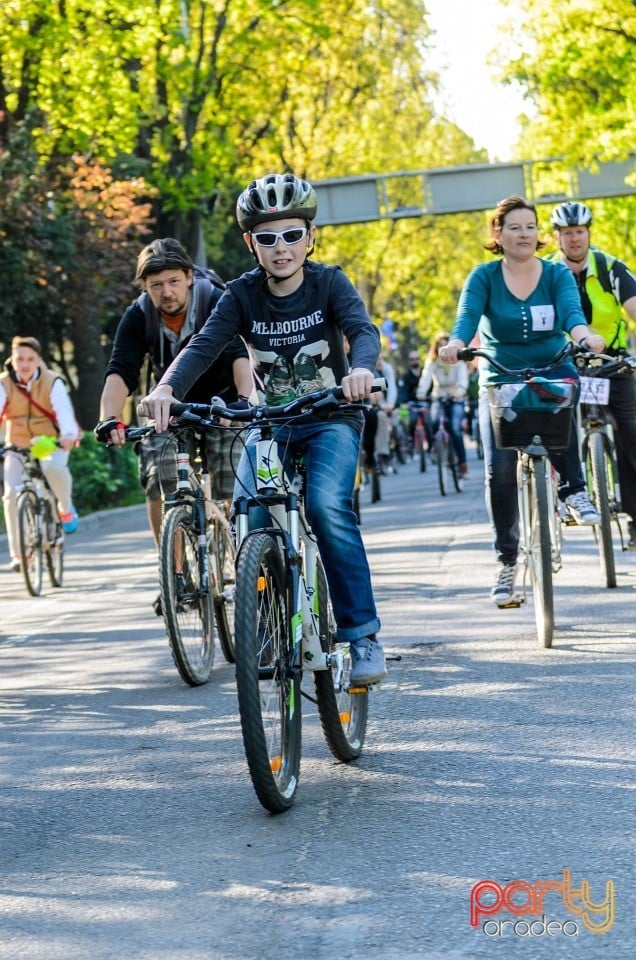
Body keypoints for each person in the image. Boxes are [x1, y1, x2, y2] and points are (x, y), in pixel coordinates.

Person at [139, 172, 386, 685]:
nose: (281, 248)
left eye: (292, 235)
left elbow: (362, 330)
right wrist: (165, 389)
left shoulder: (330, 283)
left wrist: (361, 369)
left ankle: (361, 635)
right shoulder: (242, 295)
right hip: (269, 424)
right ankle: (268, 622)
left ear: (309, 237)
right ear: (251, 243)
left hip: (331, 417)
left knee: (324, 506)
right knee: (248, 511)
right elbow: (203, 346)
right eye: (268, 238)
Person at [439, 195, 604, 606]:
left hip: (552, 369)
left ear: (539, 234)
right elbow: (466, 319)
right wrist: (456, 344)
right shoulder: (483, 276)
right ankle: (507, 562)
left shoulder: (555, 275)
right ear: (498, 233)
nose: (524, 234)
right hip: (501, 378)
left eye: (530, 226)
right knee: (500, 470)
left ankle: (573, 489)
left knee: (567, 393)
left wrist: (585, 337)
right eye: (514, 227)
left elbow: (571, 315)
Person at [94, 238, 254, 555]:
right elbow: (121, 371)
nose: (167, 292)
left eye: (174, 282)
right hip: (168, 407)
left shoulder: (215, 302)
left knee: (232, 482)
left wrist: (243, 402)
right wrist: (108, 418)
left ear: (190, 276)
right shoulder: (139, 317)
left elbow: (240, 355)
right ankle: (173, 570)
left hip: (220, 403)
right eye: (156, 285)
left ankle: (245, 559)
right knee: (158, 480)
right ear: (144, 286)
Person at [548, 200, 636, 549]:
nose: (574, 240)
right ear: (556, 238)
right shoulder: (546, 273)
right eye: (567, 233)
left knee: (632, 433)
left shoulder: (611, 268)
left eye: (579, 232)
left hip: (611, 364)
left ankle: (634, 516)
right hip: (566, 364)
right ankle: (568, 493)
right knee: (555, 426)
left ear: (588, 234)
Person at [1, 336, 79, 571]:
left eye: (30, 359)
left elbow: (63, 410)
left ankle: (64, 508)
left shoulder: (51, 381)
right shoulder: (4, 383)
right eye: (20, 359)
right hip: (16, 442)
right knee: (10, 493)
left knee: (53, 468)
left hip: (48, 441)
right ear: (12, 360)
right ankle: (20, 555)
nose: (24, 365)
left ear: (38, 361)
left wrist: (67, 434)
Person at [416, 331, 469, 476]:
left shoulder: (458, 361)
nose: (443, 347)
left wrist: (461, 390)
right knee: (432, 422)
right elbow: (426, 378)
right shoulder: (432, 361)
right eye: (440, 345)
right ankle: (435, 448)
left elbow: (463, 379)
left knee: (455, 428)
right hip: (438, 396)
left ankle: (462, 463)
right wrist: (421, 391)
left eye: (446, 344)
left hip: (455, 398)